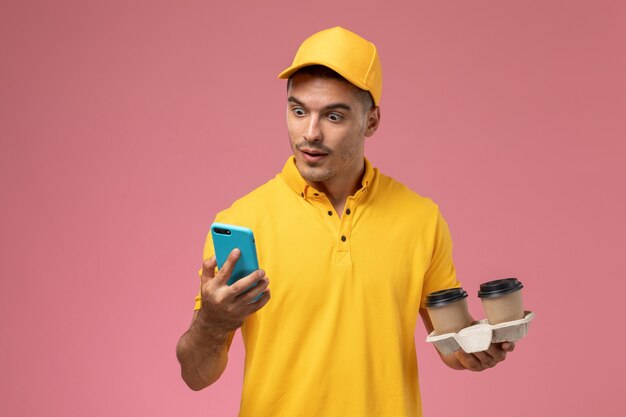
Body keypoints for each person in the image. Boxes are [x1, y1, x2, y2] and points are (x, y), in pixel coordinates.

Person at [176, 26, 515, 417]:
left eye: (333, 116)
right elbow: (195, 376)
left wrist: (477, 348)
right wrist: (214, 323)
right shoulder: (241, 222)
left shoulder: (421, 218)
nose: (310, 133)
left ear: (371, 122)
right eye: (298, 110)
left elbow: (451, 346)